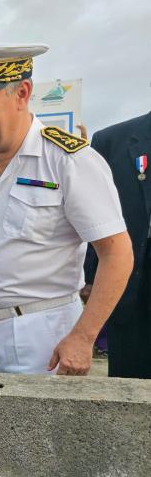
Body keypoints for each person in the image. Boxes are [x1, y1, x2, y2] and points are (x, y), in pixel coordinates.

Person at [0, 43, 133, 375]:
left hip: (45, 336)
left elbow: (118, 253)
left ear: (22, 93)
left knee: (43, 427)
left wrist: (83, 337)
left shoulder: (69, 161)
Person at [83, 112, 151, 378]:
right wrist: (90, 278)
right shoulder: (113, 140)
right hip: (132, 284)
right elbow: (92, 219)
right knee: (129, 390)